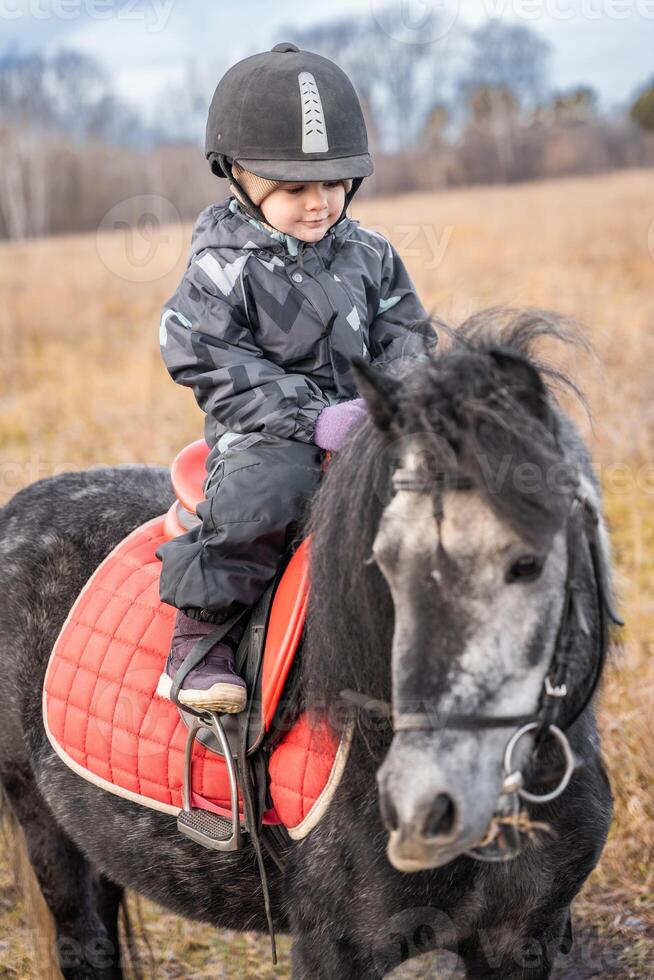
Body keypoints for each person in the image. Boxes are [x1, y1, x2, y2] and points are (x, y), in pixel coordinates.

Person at [155, 42, 436, 714]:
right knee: (270, 490)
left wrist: (394, 401)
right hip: (266, 436)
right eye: (295, 189)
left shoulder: (370, 254)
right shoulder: (223, 263)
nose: (319, 204)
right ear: (239, 179)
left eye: (334, 185)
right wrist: (312, 418)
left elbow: (407, 333)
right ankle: (200, 636)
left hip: (368, 425)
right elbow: (203, 350)